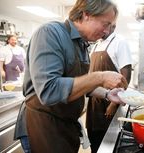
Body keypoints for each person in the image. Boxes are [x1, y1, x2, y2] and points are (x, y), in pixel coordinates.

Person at [14, 0, 128, 153]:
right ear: (86, 14)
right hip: (42, 125)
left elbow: (79, 84)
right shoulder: (50, 33)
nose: (107, 31)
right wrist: (99, 77)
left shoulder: (82, 45)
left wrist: (107, 94)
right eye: (105, 24)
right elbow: (49, 91)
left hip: (64, 126)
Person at [86, 24, 132, 153]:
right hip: (94, 99)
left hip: (112, 100)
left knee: (108, 142)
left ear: (113, 26)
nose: (102, 29)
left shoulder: (119, 42)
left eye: (106, 25)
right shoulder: (95, 45)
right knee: (94, 139)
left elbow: (126, 76)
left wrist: (113, 104)